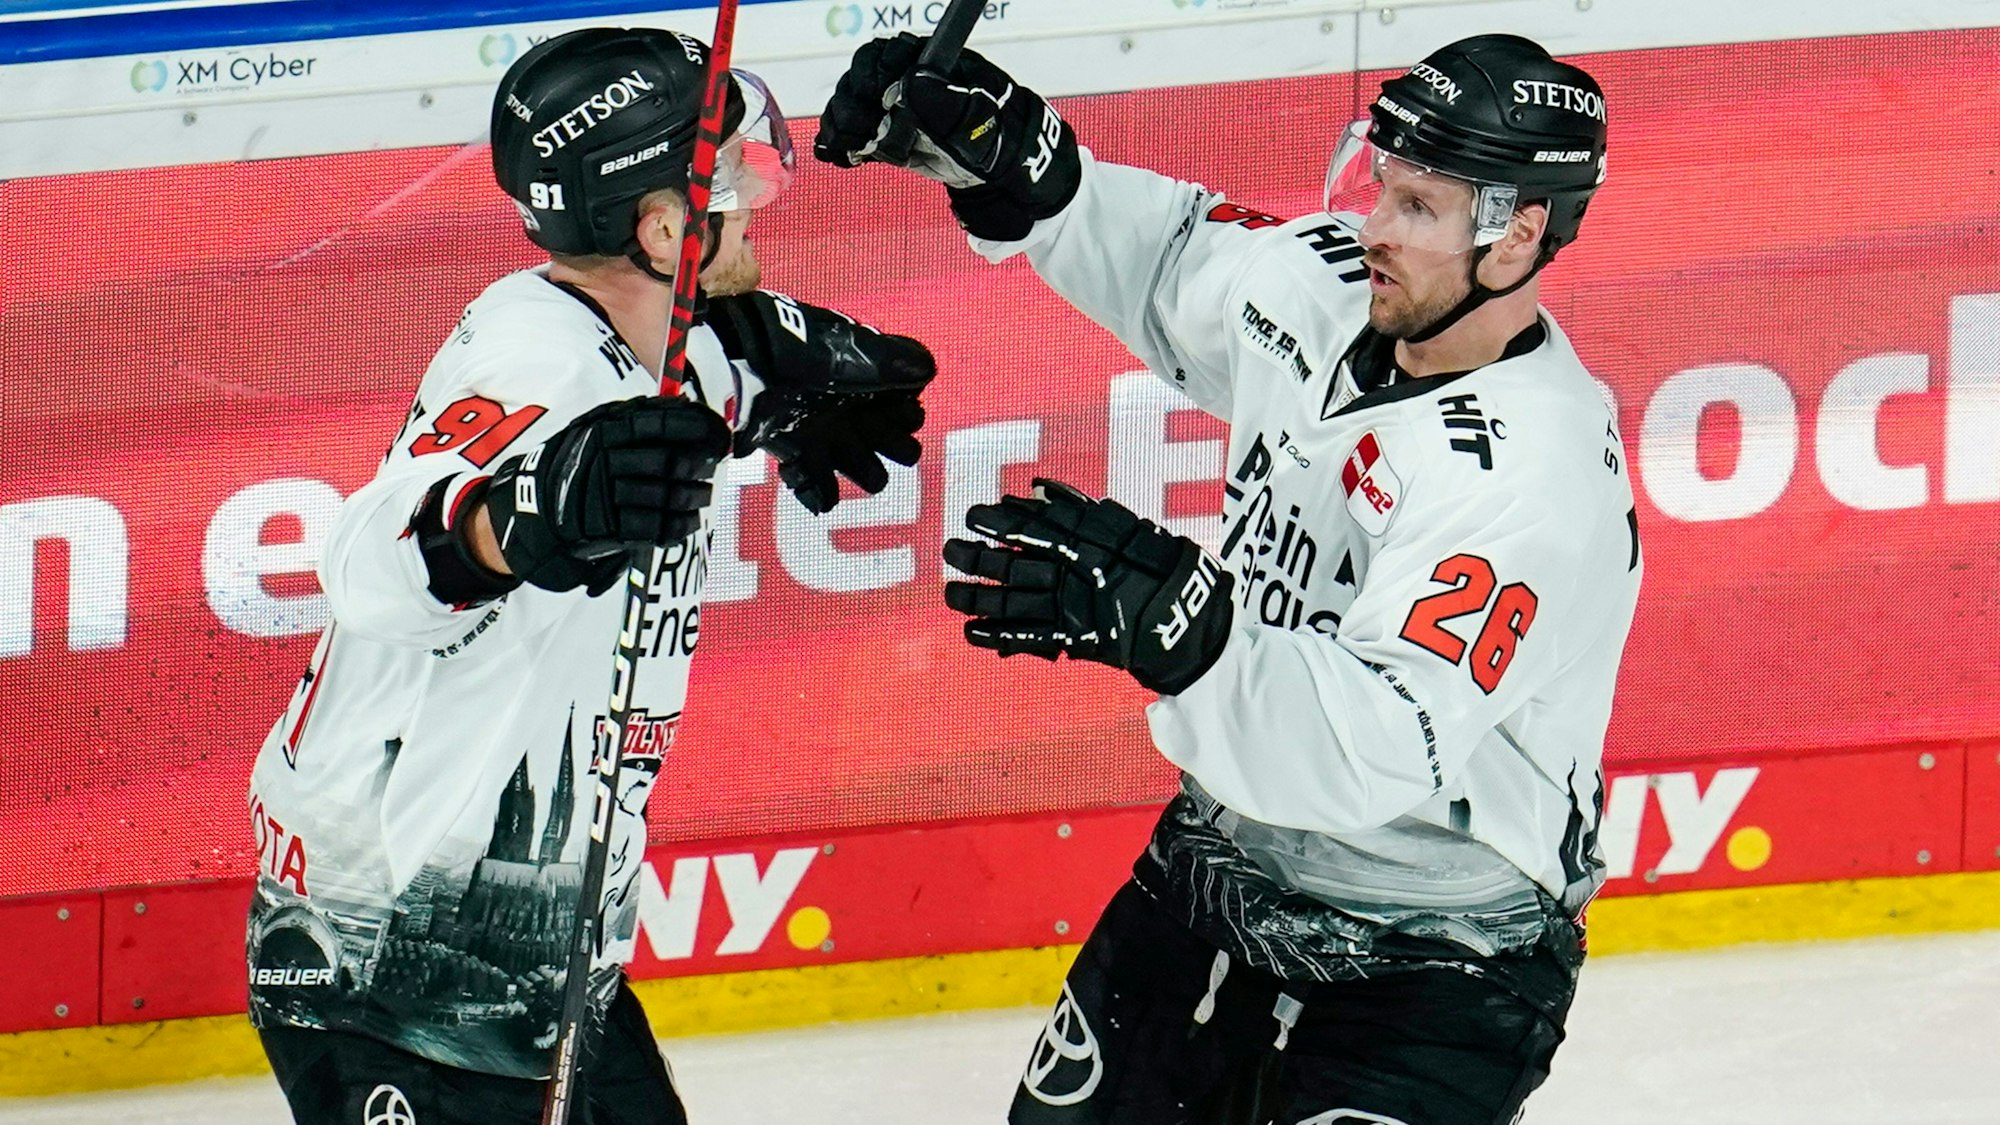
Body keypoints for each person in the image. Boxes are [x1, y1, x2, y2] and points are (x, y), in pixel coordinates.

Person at [818, 32, 1640, 1125]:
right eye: (1378, 185)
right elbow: (1169, 263)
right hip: (1217, 871)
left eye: (1416, 209)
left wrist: (1186, 628)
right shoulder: (1339, 290)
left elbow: (1373, 747)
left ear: (1517, 234)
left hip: (1440, 963)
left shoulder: (1529, 481)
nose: (1371, 229)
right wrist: (1012, 159)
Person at [244, 26, 936, 1125]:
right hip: (392, 978)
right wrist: (519, 522)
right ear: (663, 227)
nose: (755, 193)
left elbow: (704, 378)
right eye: (731, 176)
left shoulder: (648, 335)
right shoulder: (539, 364)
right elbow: (366, 561)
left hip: (536, 970)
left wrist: (779, 382)